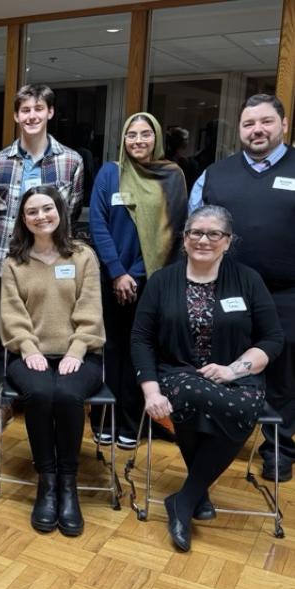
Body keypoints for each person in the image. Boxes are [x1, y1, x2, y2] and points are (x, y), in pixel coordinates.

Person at [130, 205, 284, 552]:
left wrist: (233, 370)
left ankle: (185, 498)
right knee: (188, 393)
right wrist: (151, 391)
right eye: (195, 232)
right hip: (178, 374)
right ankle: (195, 494)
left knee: (241, 404)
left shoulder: (248, 279)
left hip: (238, 377)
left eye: (214, 234)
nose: (203, 240)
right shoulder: (162, 281)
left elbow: (272, 339)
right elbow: (141, 339)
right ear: (184, 239)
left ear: (228, 241)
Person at [189, 93, 295, 483]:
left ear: (283, 124)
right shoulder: (215, 175)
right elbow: (195, 230)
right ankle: (219, 441)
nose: (258, 130)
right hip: (228, 290)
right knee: (222, 366)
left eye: (266, 121)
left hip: (287, 293)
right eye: (249, 123)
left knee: (283, 375)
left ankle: (278, 448)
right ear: (239, 129)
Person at [0, 185, 105, 537]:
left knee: (68, 395)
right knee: (42, 394)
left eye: (47, 208)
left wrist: (76, 352)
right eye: (32, 211)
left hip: (81, 354)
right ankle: (47, 483)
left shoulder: (82, 256)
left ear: (60, 211)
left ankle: (68, 484)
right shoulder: (14, 262)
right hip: (29, 355)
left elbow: (90, 312)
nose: (41, 216)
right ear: (23, 219)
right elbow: (12, 317)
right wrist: (29, 349)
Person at [0, 83, 85, 434]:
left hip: (53, 266)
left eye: (38, 109)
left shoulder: (71, 161)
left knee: (51, 329)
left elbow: (69, 215)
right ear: (15, 116)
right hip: (5, 263)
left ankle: (47, 394)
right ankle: (4, 402)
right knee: (4, 335)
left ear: (50, 113)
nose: (31, 116)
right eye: (25, 110)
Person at [89, 112, 188, 449]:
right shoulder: (109, 173)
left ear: (157, 138)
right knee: (108, 348)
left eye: (146, 134)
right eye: (131, 134)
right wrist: (117, 271)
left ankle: (131, 421)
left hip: (150, 280)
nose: (138, 141)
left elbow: (170, 232)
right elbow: (98, 224)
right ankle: (103, 419)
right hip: (109, 278)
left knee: (139, 351)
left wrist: (135, 273)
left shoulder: (171, 176)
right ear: (123, 139)